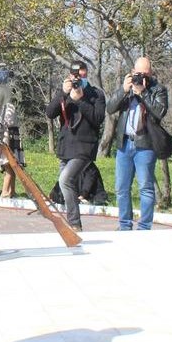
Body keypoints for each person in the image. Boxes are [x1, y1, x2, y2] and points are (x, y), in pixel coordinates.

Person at [107, 56, 168, 231]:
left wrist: (143, 92)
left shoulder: (158, 89)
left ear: (151, 73)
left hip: (146, 145)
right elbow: (110, 108)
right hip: (125, 144)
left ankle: (144, 227)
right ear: (133, 72)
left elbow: (159, 113)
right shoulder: (128, 88)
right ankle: (124, 225)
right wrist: (124, 90)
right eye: (138, 73)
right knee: (121, 188)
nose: (141, 77)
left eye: (145, 74)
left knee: (145, 187)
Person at [45, 59, 106, 232]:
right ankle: (73, 223)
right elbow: (50, 113)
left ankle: (74, 224)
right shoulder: (65, 91)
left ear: (86, 73)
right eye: (74, 74)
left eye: (81, 73)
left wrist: (80, 100)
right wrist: (63, 95)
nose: (77, 76)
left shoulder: (96, 94)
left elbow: (98, 118)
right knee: (67, 186)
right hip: (66, 146)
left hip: (84, 147)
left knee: (65, 180)